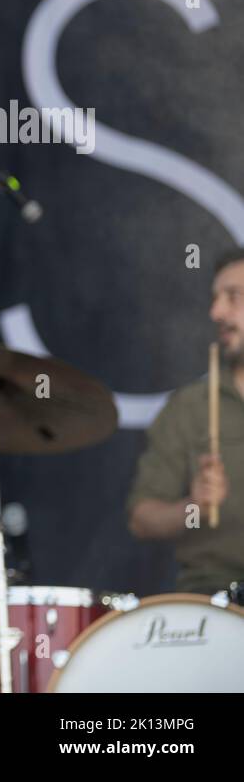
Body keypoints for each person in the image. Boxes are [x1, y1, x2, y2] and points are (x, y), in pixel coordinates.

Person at [128, 247, 244, 593]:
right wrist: (194, 507)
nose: (216, 312)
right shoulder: (190, 406)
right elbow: (141, 518)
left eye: (233, 298)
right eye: (214, 299)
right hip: (215, 595)